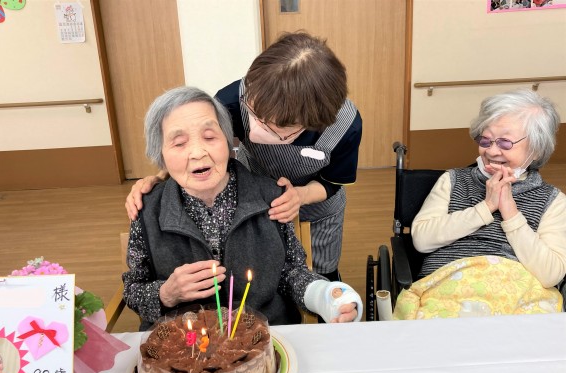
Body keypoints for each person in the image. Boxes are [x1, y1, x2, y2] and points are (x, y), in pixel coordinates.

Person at [125, 32, 363, 282]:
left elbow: (332, 182)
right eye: (254, 112)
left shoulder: (345, 125)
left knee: (321, 272)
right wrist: (160, 177)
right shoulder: (232, 100)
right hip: (256, 199)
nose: (256, 126)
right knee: (266, 271)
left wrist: (299, 196)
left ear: (311, 123)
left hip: (318, 205)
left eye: (274, 126)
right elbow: (199, 148)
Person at [122, 86, 363, 330]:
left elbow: (290, 273)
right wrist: (166, 293)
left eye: (209, 137)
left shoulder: (272, 197)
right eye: (179, 143)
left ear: (229, 142)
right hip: (182, 343)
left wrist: (324, 295)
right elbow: (133, 290)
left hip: (264, 336)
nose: (197, 153)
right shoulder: (146, 208)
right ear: (160, 155)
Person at [394, 89, 566, 318]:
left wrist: (511, 213)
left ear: (536, 149)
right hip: (450, 288)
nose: (492, 151)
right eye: (485, 140)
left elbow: (550, 274)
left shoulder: (553, 200)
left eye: (505, 143)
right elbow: (422, 240)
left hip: (519, 295)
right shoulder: (452, 180)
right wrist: (484, 208)